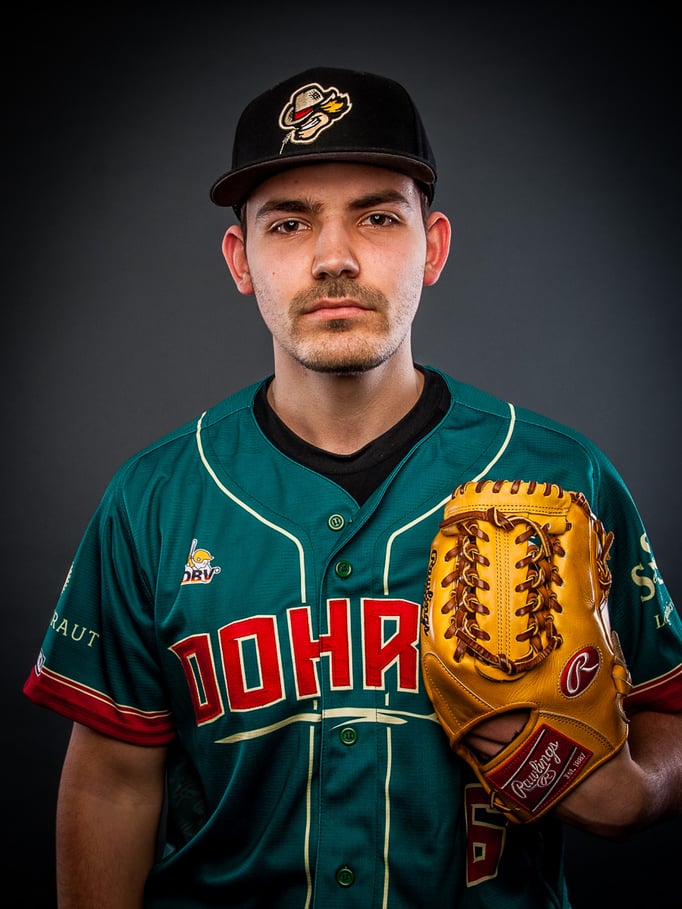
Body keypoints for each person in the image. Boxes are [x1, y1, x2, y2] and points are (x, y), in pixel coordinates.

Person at [24, 66, 682, 908]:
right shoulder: (153, 499)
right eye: (288, 223)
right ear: (241, 259)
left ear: (432, 246)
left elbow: (668, 703)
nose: (334, 257)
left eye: (376, 216)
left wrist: (641, 791)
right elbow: (112, 782)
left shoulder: (562, 476)